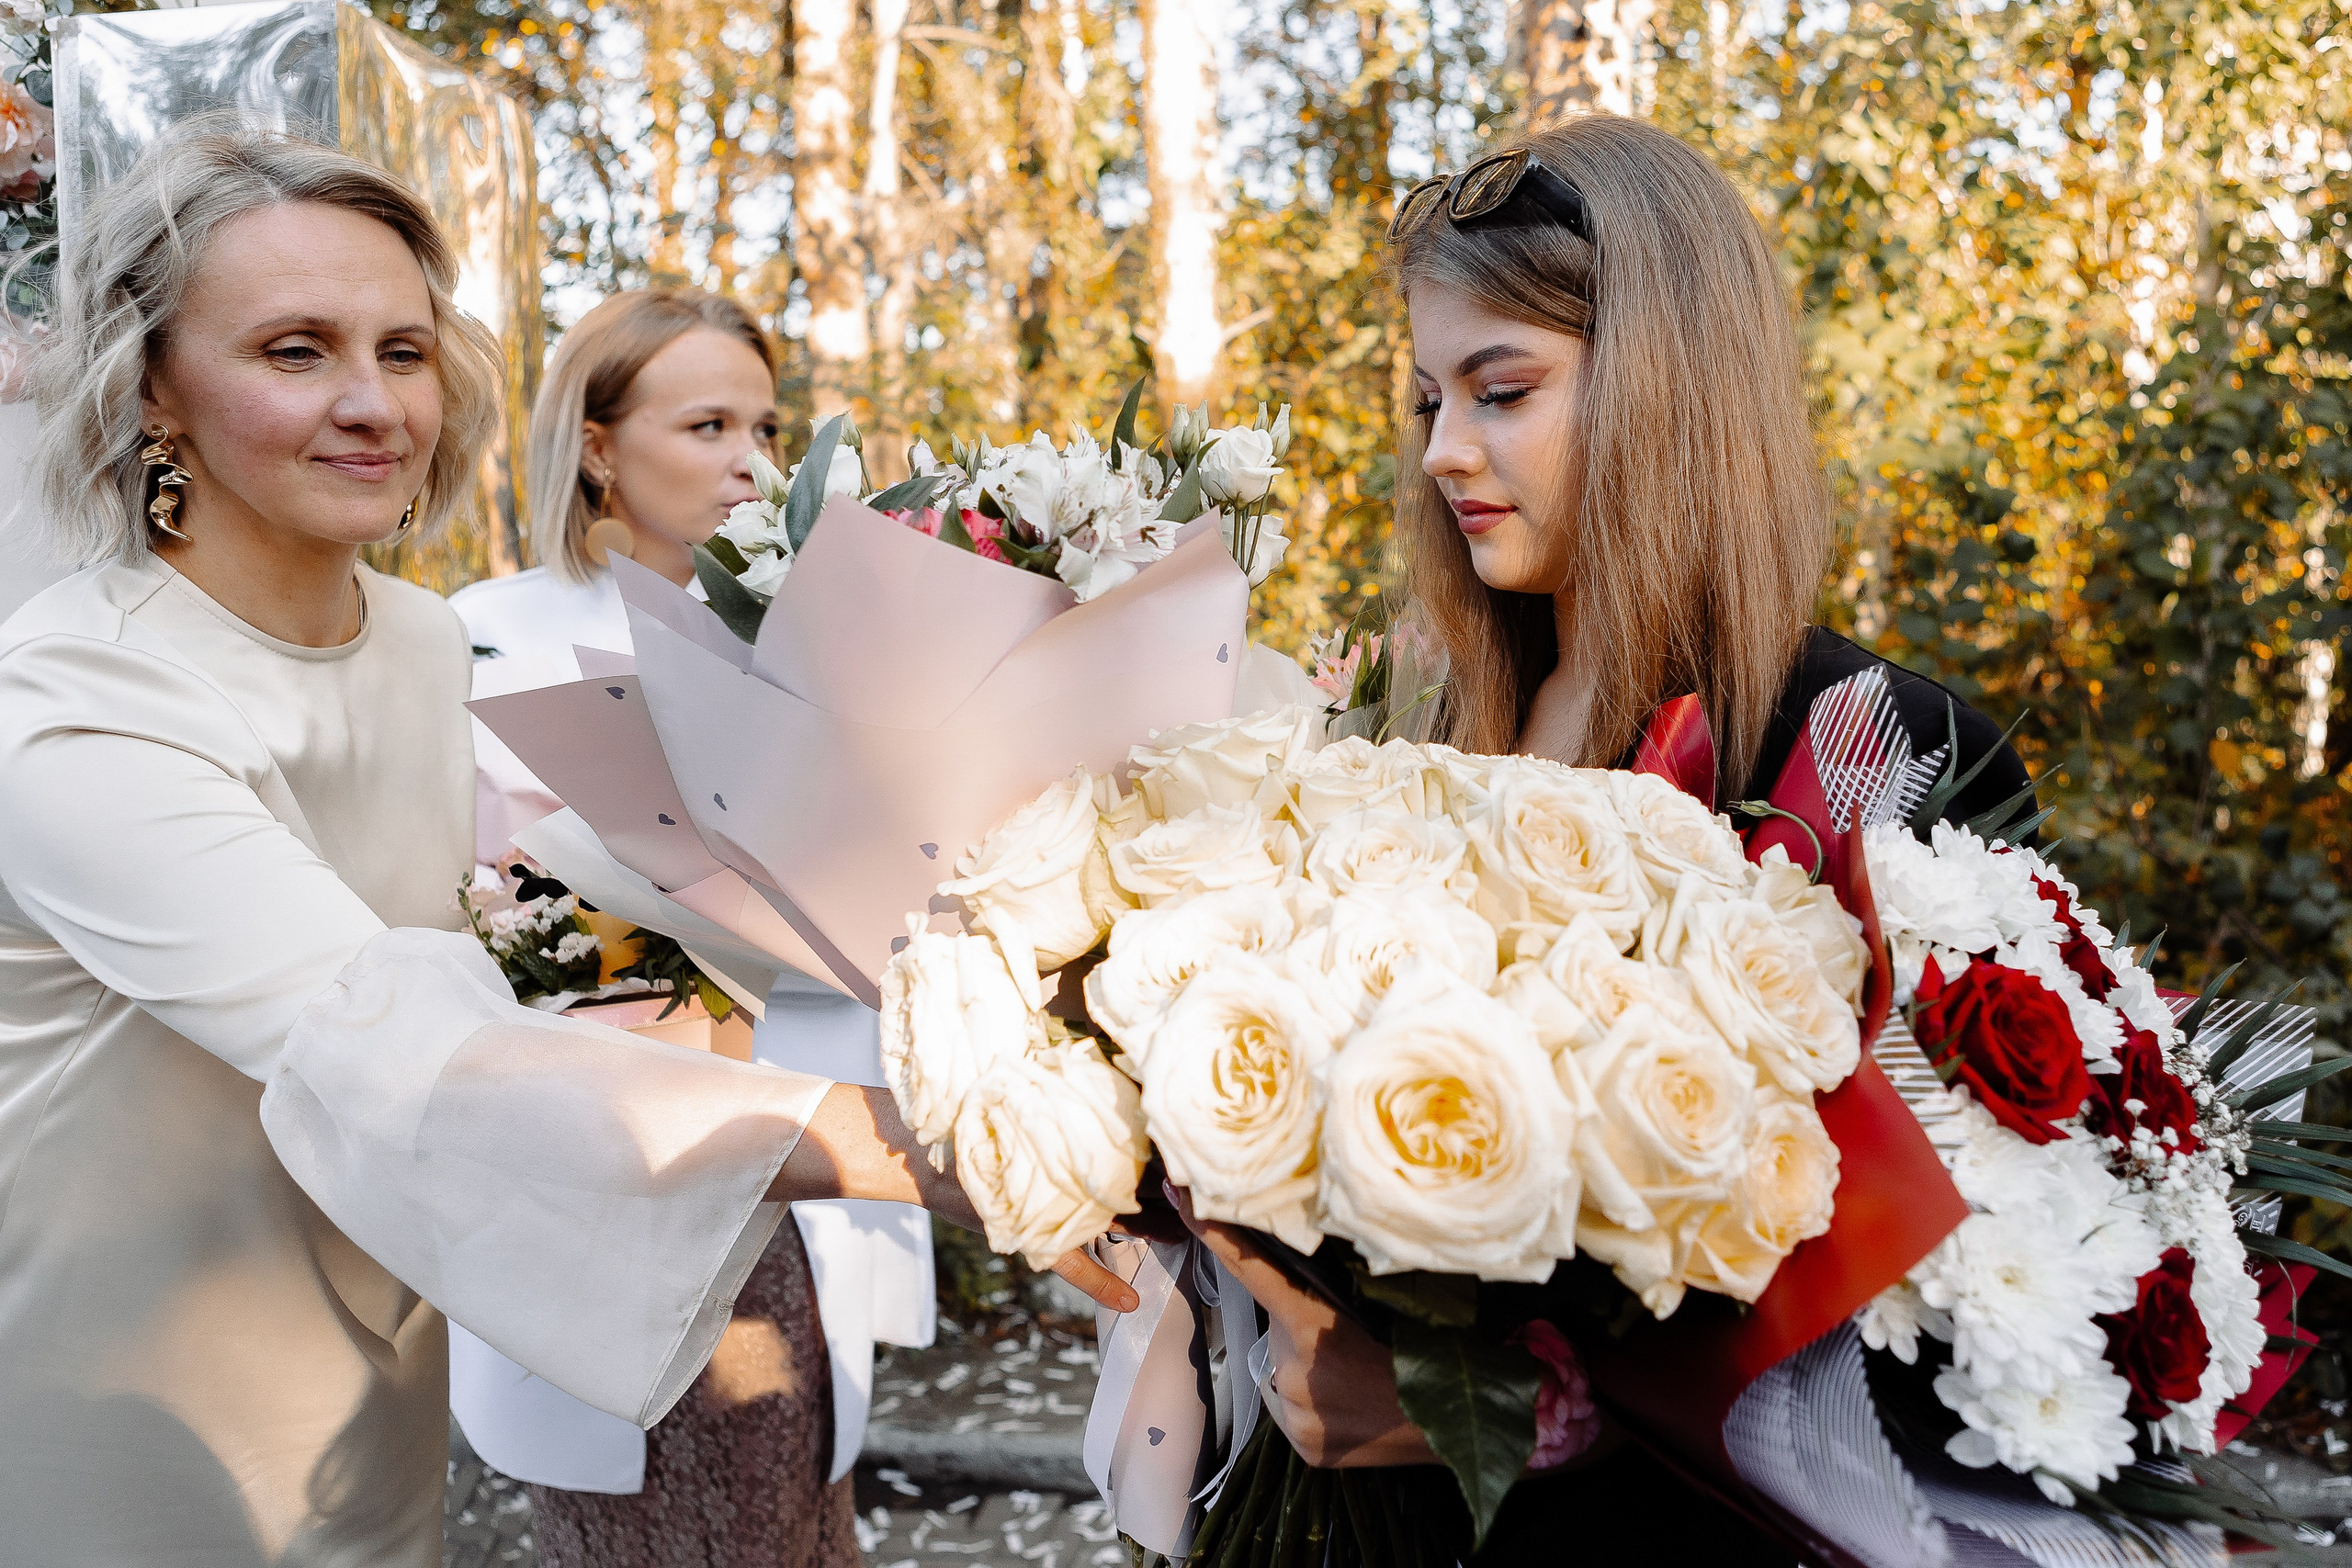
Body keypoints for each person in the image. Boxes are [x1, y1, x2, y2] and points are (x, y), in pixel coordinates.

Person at [0, 123, 1131, 1568]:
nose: (372, 405)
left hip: (371, 1369)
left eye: (404, 352)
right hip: (134, 1408)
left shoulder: (421, 643)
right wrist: (908, 1145)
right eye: (295, 351)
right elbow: (385, 1033)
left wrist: (1052, 927)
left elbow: (566, 911)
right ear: (151, 384)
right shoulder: (76, 696)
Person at [1181, 113, 2034, 1560]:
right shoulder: (1404, 733)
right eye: (1428, 400)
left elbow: (1971, 1314)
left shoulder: (1878, 751)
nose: (1445, 451)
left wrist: (1538, 1408)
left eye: (1501, 390)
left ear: (1668, 383)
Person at [447, 288, 932, 1567]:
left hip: (820, 1160)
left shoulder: (809, 649)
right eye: (708, 425)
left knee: (801, 1518)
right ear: (598, 447)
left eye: (765, 428)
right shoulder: (482, 639)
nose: (751, 463)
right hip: (621, 1177)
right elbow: (472, 919)